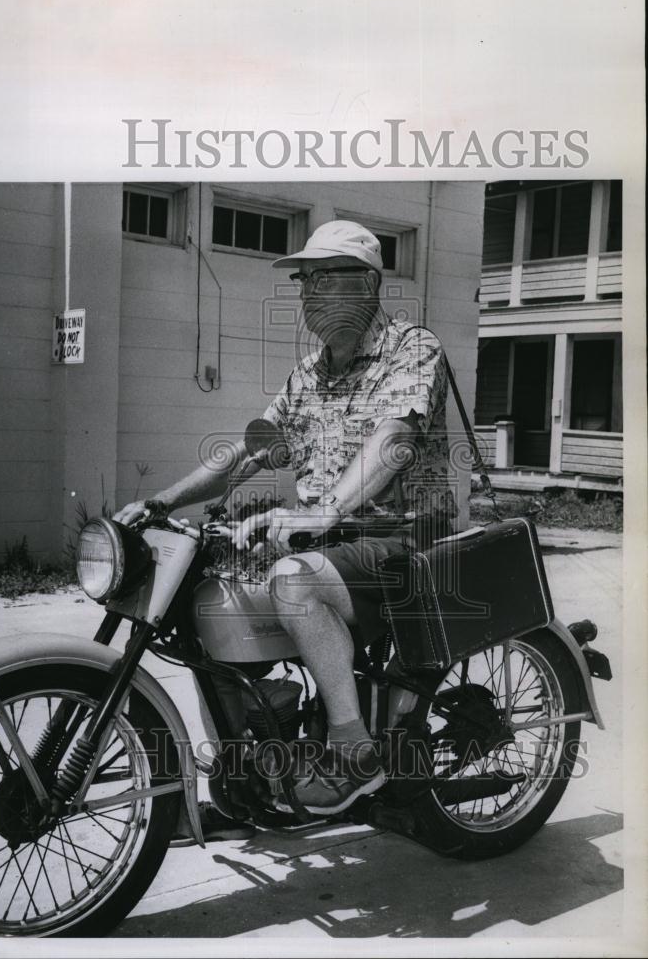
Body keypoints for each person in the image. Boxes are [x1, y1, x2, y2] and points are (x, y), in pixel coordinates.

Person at [115, 220, 455, 820]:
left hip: (402, 539)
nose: (306, 295)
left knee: (295, 581)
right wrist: (163, 501)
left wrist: (324, 509)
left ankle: (353, 751)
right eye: (304, 282)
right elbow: (248, 454)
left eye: (321, 279)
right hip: (333, 539)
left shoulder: (413, 349)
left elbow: (394, 439)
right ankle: (251, 748)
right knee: (206, 597)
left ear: (366, 284)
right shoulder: (309, 373)